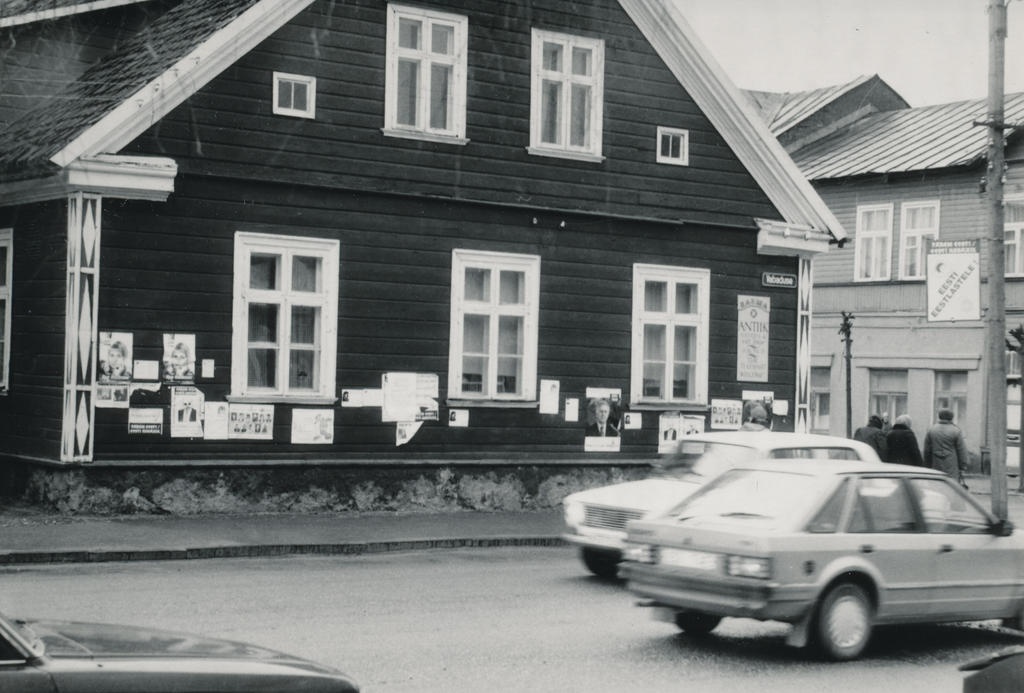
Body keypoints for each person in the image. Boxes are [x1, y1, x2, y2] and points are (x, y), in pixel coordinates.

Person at [923, 409, 970, 481]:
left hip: (935, 465)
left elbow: (927, 450)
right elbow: (961, 450)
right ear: (951, 417)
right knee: (951, 487)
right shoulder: (956, 431)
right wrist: (963, 466)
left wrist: (927, 465)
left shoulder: (931, 430)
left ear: (939, 416)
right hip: (952, 466)